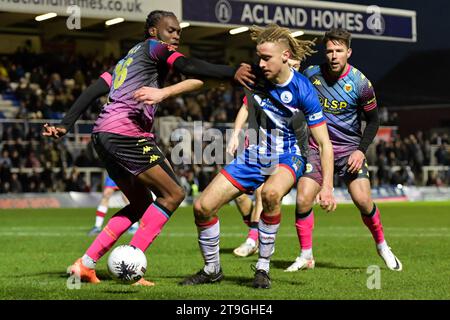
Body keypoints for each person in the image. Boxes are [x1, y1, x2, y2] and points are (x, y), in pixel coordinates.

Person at [43, 10, 253, 286]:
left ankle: (85, 264)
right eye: (170, 30)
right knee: (174, 194)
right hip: (125, 133)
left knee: (141, 203)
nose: (176, 35)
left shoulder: (126, 60)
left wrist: (66, 123)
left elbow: (94, 89)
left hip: (104, 134)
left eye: (179, 31)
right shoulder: (156, 48)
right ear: (154, 32)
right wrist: (231, 71)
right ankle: (133, 259)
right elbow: (187, 66)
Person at [180, 24, 336, 289]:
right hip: (255, 155)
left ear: (285, 56)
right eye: (259, 57)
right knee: (202, 207)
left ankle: (262, 267)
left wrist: (329, 186)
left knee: (271, 195)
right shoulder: (252, 75)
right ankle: (212, 269)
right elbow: (207, 82)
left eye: (266, 58)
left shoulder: (303, 90)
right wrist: (163, 93)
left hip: (290, 154)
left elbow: (323, 143)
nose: (260, 62)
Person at [285, 28, 402, 273]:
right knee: (304, 196)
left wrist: (360, 151)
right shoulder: (311, 75)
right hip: (317, 147)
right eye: (329, 51)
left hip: (349, 150)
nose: (334, 56)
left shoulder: (361, 83)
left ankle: (382, 245)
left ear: (348, 52)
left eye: (339, 50)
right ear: (324, 53)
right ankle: (306, 255)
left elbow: (373, 122)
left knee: (362, 199)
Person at [229, 59, 301, 258]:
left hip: (280, 150)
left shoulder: (301, 87)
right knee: (239, 195)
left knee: (263, 193)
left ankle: (253, 239)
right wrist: (235, 134)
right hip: (253, 143)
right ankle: (259, 232)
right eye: (292, 64)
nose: (294, 69)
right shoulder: (265, 84)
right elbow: (245, 107)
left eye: (298, 65)